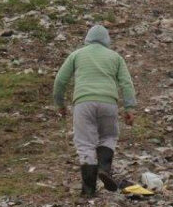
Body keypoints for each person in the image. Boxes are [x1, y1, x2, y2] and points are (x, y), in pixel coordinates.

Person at [53, 25, 137, 197]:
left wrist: (60, 104)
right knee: (109, 136)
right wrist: (129, 108)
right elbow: (126, 83)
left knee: (85, 143)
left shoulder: (77, 55)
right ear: (107, 40)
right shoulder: (115, 57)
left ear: (87, 39)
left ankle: (89, 190)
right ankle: (104, 168)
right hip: (108, 103)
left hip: (83, 103)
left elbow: (60, 80)